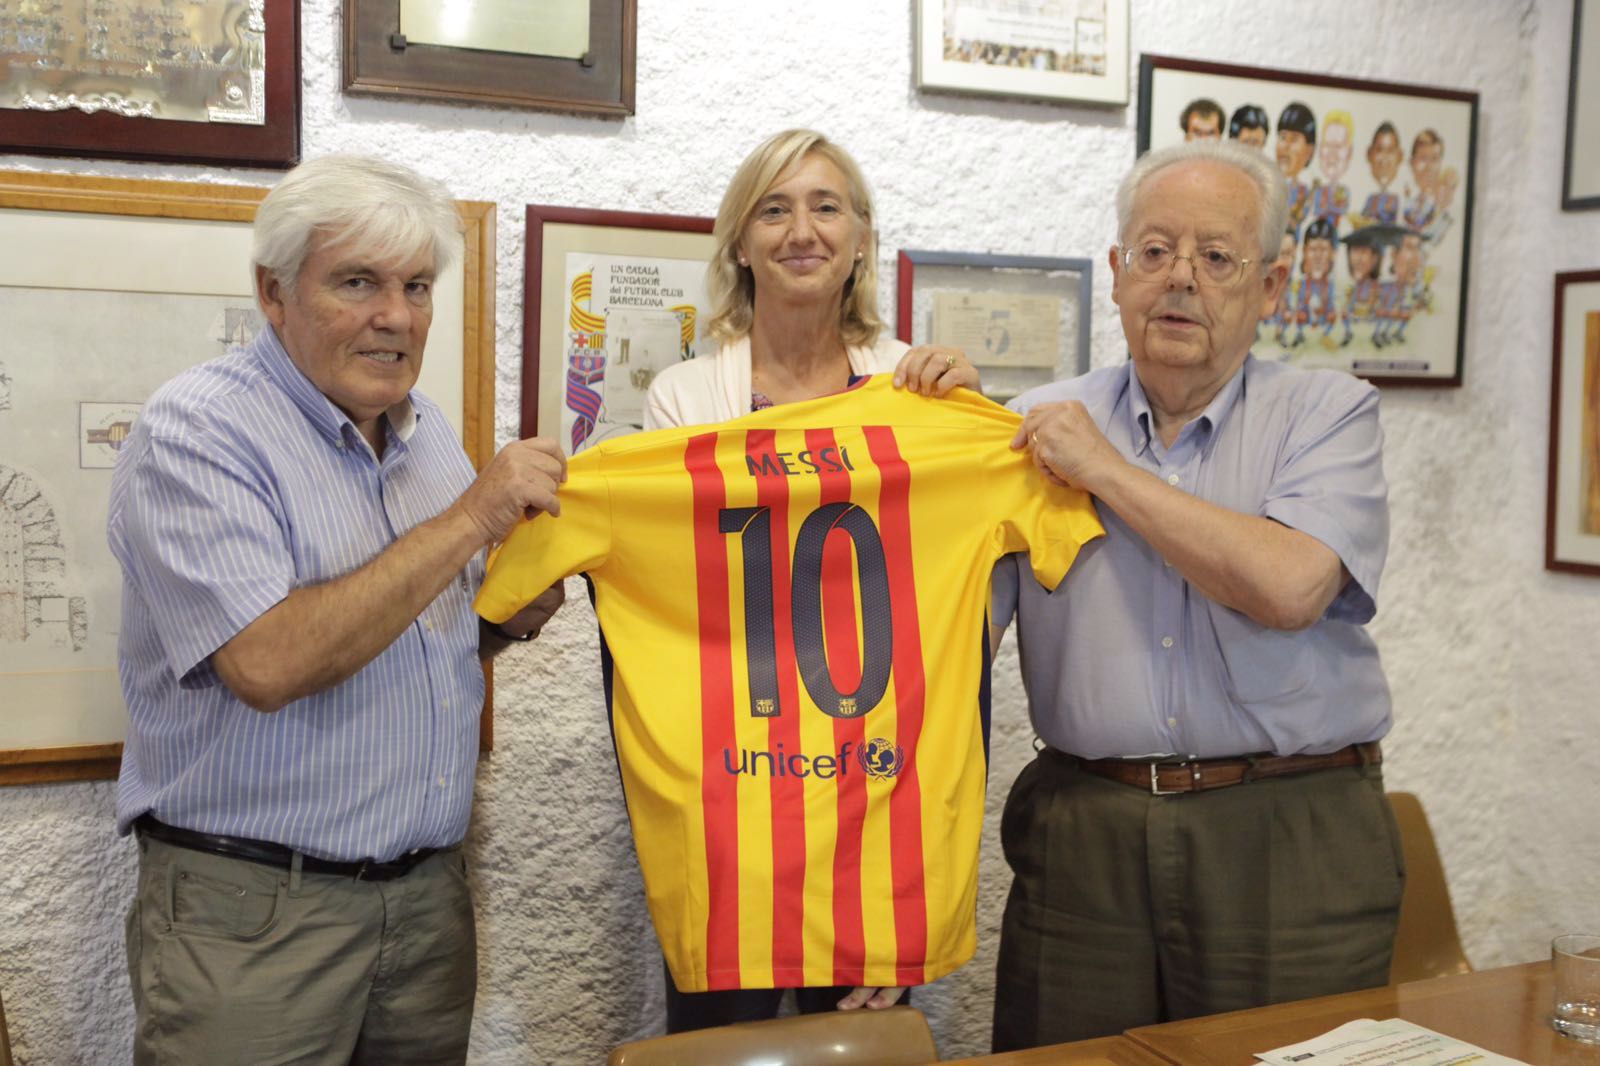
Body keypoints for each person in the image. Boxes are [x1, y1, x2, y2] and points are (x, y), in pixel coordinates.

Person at [108, 154, 567, 1065]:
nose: (395, 317)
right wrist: (474, 514)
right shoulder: (196, 431)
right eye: (357, 282)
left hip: (427, 905)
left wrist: (506, 617)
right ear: (273, 293)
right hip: (258, 915)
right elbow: (269, 662)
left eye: (416, 286)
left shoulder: (426, 430)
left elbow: (414, 632)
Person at [990, 139, 1400, 1051]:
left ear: (1270, 287)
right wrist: (920, 422)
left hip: (1289, 828)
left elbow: (1290, 586)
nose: (1180, 279)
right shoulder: (1035, 425)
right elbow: (941, 638)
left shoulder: (1329, 412)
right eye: (1154, 251)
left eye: (1216, 257)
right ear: (1117, 270)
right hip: (1086, 831)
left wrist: (1104, 469)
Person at [643, 128, 978, 1031]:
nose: (803, 230)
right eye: (774, 208)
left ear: (862, 236)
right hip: (734, 798)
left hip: (873, 810)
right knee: (718, 1044)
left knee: (865, 1048)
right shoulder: (682, 400)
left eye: (827, 206)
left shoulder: (917, 391)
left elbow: (963, 579)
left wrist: (973, 419)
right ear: (741, 242)